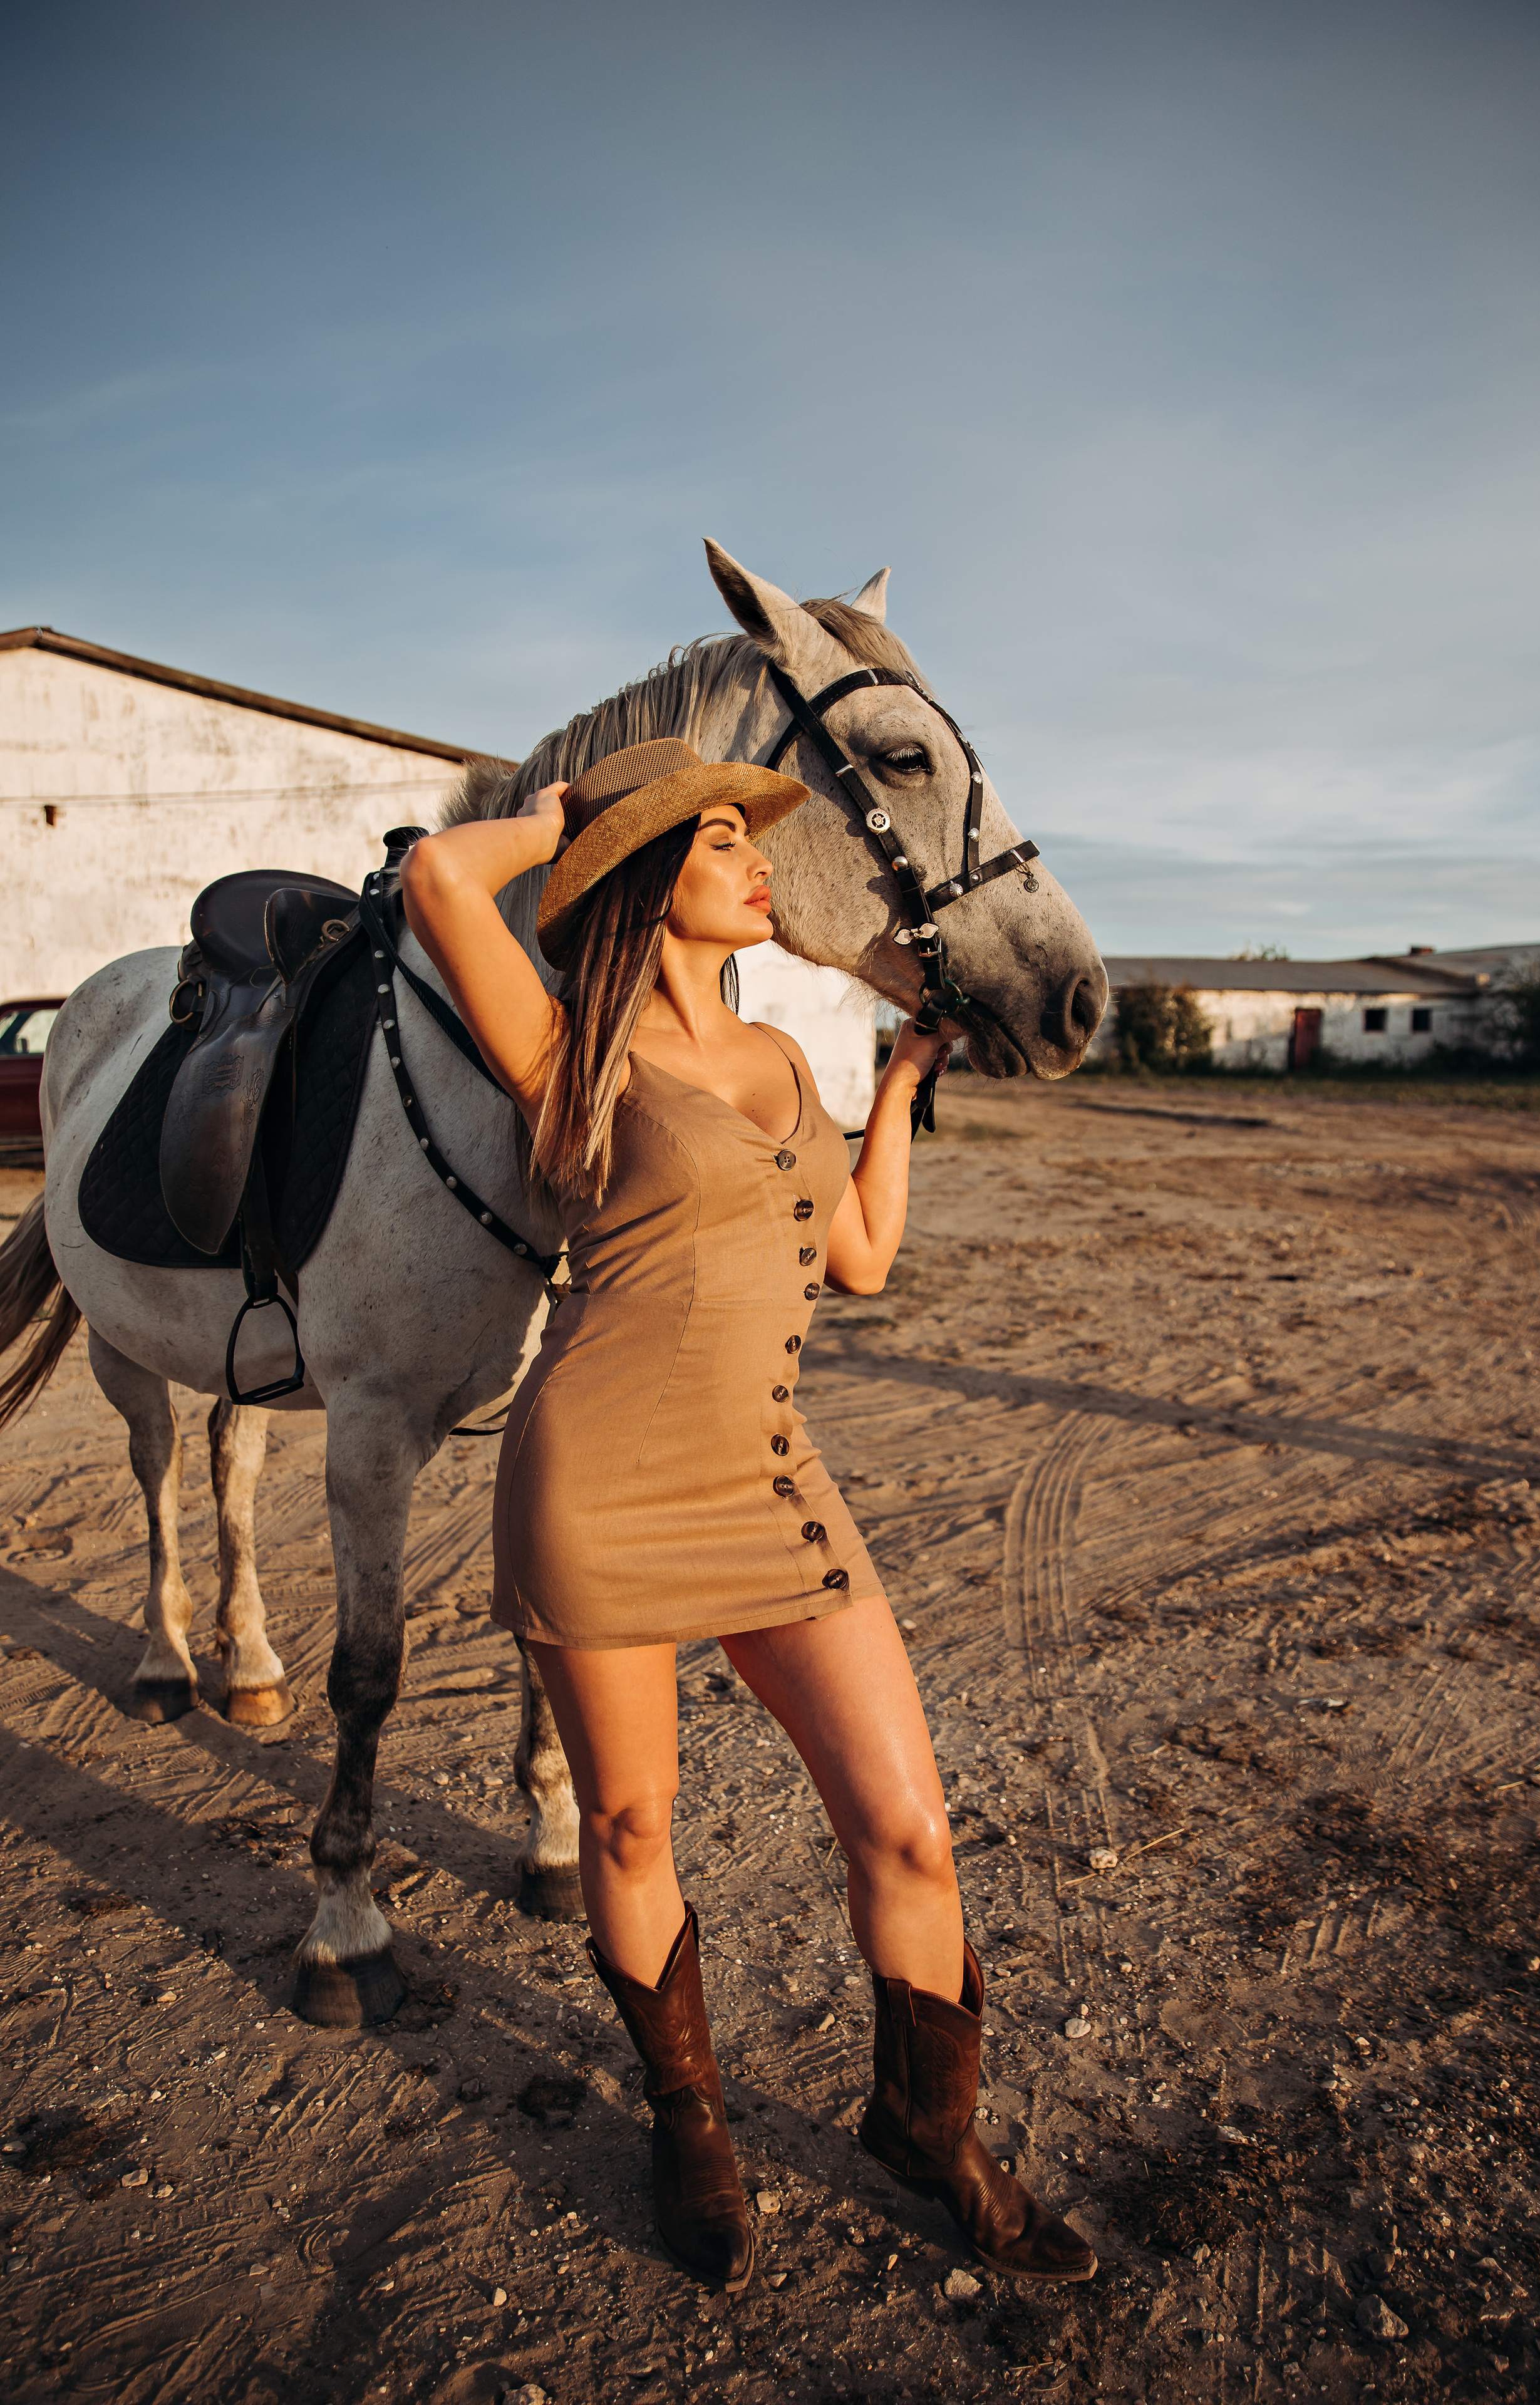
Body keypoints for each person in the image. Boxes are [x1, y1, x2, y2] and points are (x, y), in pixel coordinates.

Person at [400, 737, 1096, 2295]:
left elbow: (858, 1257)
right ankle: (688, 2119)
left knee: (907, 1830)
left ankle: (927, 2132)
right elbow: (440, 876)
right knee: (630, 1825)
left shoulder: (786, 1059)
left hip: (770, 1479)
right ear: (648, 874)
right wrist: (560, 825)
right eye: (719, 840)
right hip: (597, 1484)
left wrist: (897, 1088)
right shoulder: (564, 1049)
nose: (758, 860)